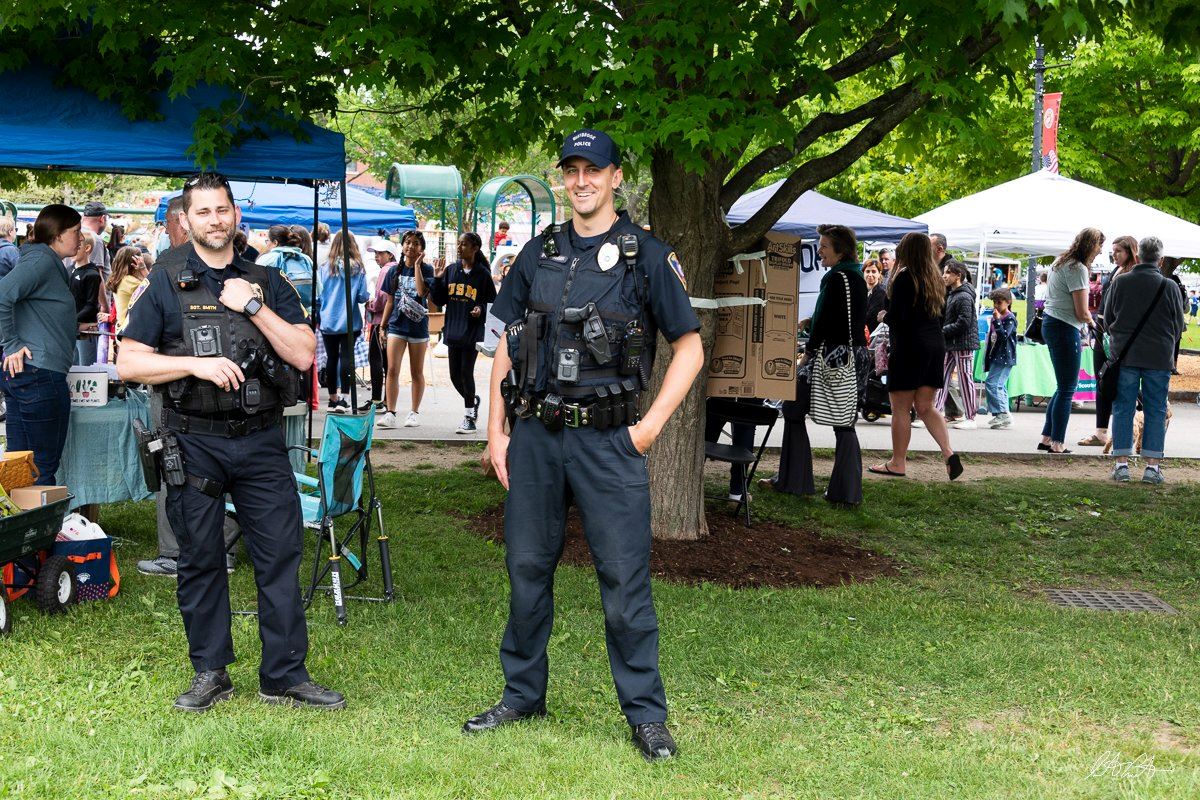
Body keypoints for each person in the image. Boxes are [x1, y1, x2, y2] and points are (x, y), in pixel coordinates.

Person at [465, 128, 703, 761]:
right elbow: (507, 343)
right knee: (525, 572)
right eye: (571, 170)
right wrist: (497, 430)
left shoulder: (646, 255)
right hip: (538, 438)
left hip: (609, 442)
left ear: (616, 177)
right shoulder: (537, 254)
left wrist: (648, 429)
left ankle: (647, 716)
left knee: (624, 581)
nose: (582, 180)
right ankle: (521, 695)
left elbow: (690, 346)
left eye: (593, 170)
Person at [117, 172, 342, 713]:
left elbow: (305, 354)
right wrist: (194, 364)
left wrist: (253, 308)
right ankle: (210, 672)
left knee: (279, 556)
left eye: (223, 209)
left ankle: (284, 674)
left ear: (235, 214)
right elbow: (129, 361)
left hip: (262, 441)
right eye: (204, 212)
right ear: (186, 220)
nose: (215, 219)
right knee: (199, 557)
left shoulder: (267, 280)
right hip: (194, 440)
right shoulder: (166, 281)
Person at [868, 232, 962, 480]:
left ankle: (897, 462)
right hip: (934, 345)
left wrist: (883, 316)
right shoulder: (935, 279)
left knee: (900, 407)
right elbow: (939, 316)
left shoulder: (904, 278)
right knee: (926, 406)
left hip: (909, 346)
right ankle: (948, 452)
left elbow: (899, 318)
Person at [0, 204, 80, 485]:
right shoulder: (41, 261)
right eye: (75, 231)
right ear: (57, 235)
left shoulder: (42, 261)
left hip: (29, 373)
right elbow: (2, 294)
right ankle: (38, 528)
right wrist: (11, 343)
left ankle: (16, 525)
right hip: (38, 374)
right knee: (39, 467)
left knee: (21, 465)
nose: (80, 239)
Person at [1104, 236, 1186, 484]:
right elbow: (1179, 325)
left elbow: (1107, 320)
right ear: (1160, 260)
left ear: (1137, 256)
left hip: (1126, 355)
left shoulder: (1121, 282)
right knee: (1156, 410)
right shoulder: (1169, 286)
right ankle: (1152, 467)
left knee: (1123, 408)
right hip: (1159, 357)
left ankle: (1121, 465)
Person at [798, 224, 868, 506]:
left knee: (795, 408)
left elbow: (825, 319)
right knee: (847, 420)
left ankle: (799, 480)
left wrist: (808, 352)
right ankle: (845, 489)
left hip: (835, 357)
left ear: (840, 251)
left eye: (824, 246)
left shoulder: (834, 277)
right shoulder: (857, 276)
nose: (819, 251)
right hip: (857, 355)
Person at [1038, 227, 1101, 454]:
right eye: (1099, 246)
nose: (1100, 251)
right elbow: (1082, 311)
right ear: (1091, 245)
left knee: (1062, 386)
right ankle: (1057, 442)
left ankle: (1046, 438)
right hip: (1065, 327)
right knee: (1068, 389)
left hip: (1051, 323)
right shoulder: (1078, 268)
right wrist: (1095, 325)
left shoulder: (1060, 262)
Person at [430, 232, 497, 433]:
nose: (459, 248)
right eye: (459, 244)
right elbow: (440, 301)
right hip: (453, 330)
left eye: (464, 244)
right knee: (454, 376)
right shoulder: (451, 270)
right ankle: (473, 400)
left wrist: (480, 310)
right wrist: (436, 279)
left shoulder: (482, 274)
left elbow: (492, 303)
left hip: (471, 332)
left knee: (466, 373)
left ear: (475, 248)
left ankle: (469, 417)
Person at [1079, 235, 1138, 447]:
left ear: (1130, 251)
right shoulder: (1116, 271)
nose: (1114, 255)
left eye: (1118, 251)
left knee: (1121, 383)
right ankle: (1101, 431)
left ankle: (1130, 429)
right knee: (1102, 380)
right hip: (1102, 332)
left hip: (1119, 337)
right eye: (1112, 251)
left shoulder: (1133, 274)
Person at [376, 230, 434, 429]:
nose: (411, 246)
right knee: (392, 369)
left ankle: (414, 412)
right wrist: (382, 326)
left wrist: (417, 266)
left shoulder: (427, 269)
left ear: (421, 248)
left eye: (416, 243)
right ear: (402, 246)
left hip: (418, 328)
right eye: (408, 242)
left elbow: (421, 292)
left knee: (416, 372)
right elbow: (390, 301)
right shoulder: (393, 271)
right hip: (397, 326)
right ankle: (391, 412)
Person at [317, 230, 369, 413]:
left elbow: (318, 295)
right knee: (347, 358)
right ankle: (345, 398)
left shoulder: (324, 268)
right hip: (350, 322)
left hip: (328, 320)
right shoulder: (358, 269)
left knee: (331, 358)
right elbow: (362, 297)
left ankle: (332, 398)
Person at [935, 259, 979, 429]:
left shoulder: (964, 296)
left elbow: (964, 322)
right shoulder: (953, 294)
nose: (944, 275)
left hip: (963, 344)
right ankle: (936, 412)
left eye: (947, 272)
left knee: (965, 379)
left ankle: (971, 417)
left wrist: (942, 331)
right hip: (951, 344)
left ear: (958, 276)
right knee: (942, 378)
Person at [364, 239, 399, 410]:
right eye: (375, 254)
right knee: (389, 362)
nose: (376, 257)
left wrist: (369, 304)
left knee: (376, 359)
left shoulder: (386, 270)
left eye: (380, 253)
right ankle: (386, 400)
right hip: (395, 322)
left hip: (380, 322)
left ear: (389, 254)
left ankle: (376, 399)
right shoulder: (398, 268)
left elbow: (380, 300)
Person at [257, 225, 316, 316]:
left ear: (275, 242)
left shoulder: (265, 259)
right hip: (304, 314)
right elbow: (318, 289)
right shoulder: (305, 259)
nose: (266, 243)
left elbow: (257, 289)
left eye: (267, 240)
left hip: (275, 315)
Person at [983, 288, 1017, 429]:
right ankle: (1003, 414)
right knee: (998, 385)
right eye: (994, 302)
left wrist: (996, 321)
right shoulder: (997, 316)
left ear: (1008, 302)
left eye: (999, 302)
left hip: (1005, 357)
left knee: (992, 384)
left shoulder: (1009, 318)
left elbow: (1003, 336)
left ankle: (1002, 413)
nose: (996, 305)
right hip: (997, 356)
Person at [69, 231, 102, 366]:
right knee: (71, 368)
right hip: (70, 330)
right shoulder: (68, 269)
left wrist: (72, 320)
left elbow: (91, 305)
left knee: (85, 368)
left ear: (87, 248)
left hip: (85, 331)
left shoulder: (92, 274)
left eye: (77, 246)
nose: (72, 249)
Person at [108, 245, 148, 333]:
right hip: (132, 330)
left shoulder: (121, 279)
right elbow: (155, 289)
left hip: (122, 327)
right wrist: (143, 269)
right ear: (135, 261)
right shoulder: (130, 282)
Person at [1160, 256, 1187, 373]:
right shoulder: (1178, 287)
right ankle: (1173, 366)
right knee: (1175, 345)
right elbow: (1184, 309)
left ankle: (1169, 364)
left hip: (1164, 320)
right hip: (1174, 321)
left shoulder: (1166, 283)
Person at [863, 258, 887, 333]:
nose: (870, 275)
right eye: (867, 271)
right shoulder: (862, 289)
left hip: (873, 334)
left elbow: (871, 316)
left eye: (873, 271)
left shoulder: (881, 292)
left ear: (879, 273)